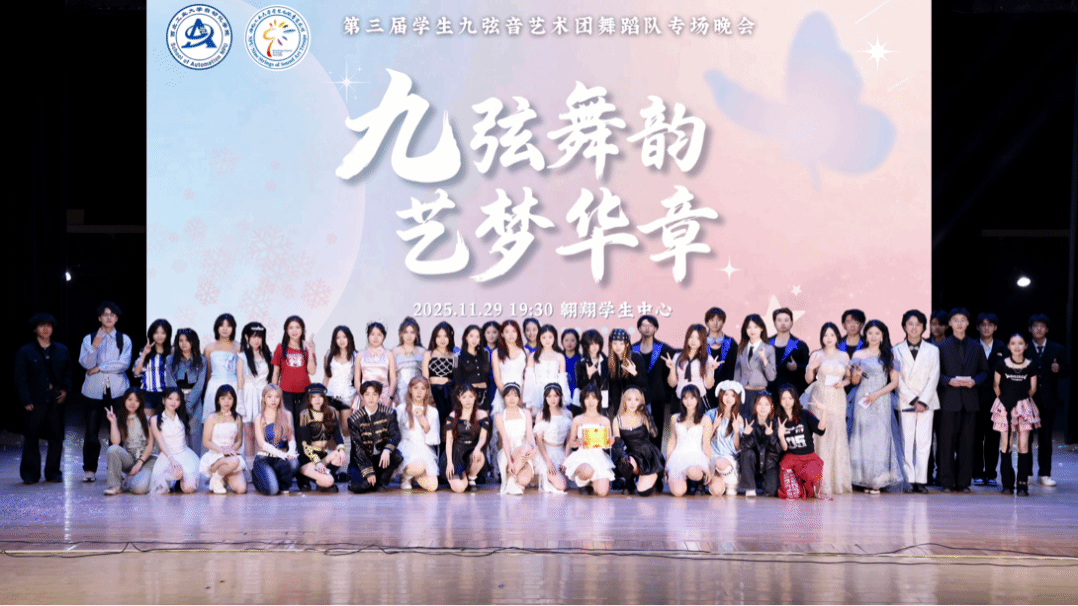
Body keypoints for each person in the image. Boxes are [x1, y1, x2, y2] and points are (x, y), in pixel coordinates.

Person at [848, 320, 907, 494]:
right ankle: (864, 479)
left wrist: (877, 394)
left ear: (882, 336)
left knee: (880, 439)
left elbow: (895, 381)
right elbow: (854, 381)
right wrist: (856, 376)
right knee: (862, 438)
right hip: (863, 400)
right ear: (865, 335)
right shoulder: (859, 354)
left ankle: (877, 481)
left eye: (877, 333)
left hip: (881, 401)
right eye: (870, 333)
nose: (873, 337)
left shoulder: (890, 354)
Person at [936, 308, 989, 493]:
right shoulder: (940, 347)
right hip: (948, 400)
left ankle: (964, 482)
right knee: (946, 443)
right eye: (955, 320)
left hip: (970, 401)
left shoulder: (976, 346)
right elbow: (935, 373)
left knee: (967, 443)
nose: (959, 323)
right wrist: (947, 380)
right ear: (950, 323)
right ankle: (946, 482)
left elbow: (984, 371)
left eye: (963, 320)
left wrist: (975, 381)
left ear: (968, 323)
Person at [79, 301, 132, 482]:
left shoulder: (124, 339)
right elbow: (86, 364)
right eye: (105, 314)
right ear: (99, 318)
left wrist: (100, 368)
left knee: (117, 431)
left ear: (117, 318)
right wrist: (94, 346)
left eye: (112, 315)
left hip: (117, 390)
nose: (109, 317)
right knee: (91, 431)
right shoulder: (89, 339)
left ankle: (115, 469)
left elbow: (123, 364)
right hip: (93, 390)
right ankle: (89, 470)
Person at [15, 313, 71, 484]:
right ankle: (30, 473)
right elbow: (20, 377)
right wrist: (25, 400)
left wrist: (65, 390)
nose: (46, 329)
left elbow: (68, 372)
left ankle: (53, 472)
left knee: (56, 437)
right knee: (31, 436)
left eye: (49, 326)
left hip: (55, 399)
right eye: (41, 326)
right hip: (35, 400)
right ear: (35, 329)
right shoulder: (25, 351)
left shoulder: (61, 349)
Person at [893, 310, 940, 493]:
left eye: (918, 324)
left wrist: (923, 401)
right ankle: (908, 479)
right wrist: (912, 399)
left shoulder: (933, 350)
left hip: (927, 402)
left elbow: (934, 376)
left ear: (923, 327)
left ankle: (921, 480)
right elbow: (896, 378)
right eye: (910, 324)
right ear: (904, 326)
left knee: (924, 441)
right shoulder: (896, 350)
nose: (914, 328)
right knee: (906, 441)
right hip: (906, 401)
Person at [804, 322, 852, 496]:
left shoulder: (844, 355)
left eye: (832, 335)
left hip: (837, 398)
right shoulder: (816, 355)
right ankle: (819, 481)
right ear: (821, 337)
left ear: (837, 336)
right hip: (820, 396)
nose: (829, 338)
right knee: (820, 435)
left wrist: (843, 383)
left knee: (837, 435)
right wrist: (811, 367)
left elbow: (849, 378)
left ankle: (837, 482)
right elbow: (808, 379)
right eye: (825, 335)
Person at [991, 333, 1041, 496]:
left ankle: (1022, 484)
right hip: (1005, 406)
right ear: (1009, 346)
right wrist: (1005, 400)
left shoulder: (1031, 365)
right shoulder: (1001, 364)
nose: (1017, 346)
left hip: (1023, 407)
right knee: (1005, 445)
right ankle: (1007, 483)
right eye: (1013, 343)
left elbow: (1033, 388)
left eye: (1020, 343)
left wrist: (1021, 401)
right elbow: (996, 385)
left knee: (1023, 445)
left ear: (1026, 346)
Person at [1027, 314, 1069, 487]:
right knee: (1026, 438)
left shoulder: (1057, 349)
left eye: (1042, 326)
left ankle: (1045, 473)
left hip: (1048, 401)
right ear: (1030, 329)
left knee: (1045, 438)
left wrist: (1059, 369)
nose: (1038, 329)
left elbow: (1066, 371)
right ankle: (1027, 473)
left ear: (1047, 329)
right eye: (1035, 326)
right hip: (1028, 401)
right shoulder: (1023, 348)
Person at [347, 381, 403, 493]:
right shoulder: (354, 420)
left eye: (374, 394)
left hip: (380, 457)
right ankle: (362, 480)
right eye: (367, 394)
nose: (371, 398)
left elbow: (395, 435)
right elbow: (358, 450)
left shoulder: (389, 413)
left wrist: (387, 449)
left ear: (379, 395)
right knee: (361, 486)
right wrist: (368, 472)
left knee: (396, 456)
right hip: (361, 461)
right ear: (362, 396)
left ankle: (380, 482)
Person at [562, 384, 617, 496]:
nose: (591, 401)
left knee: (602, 492)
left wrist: (610, 442)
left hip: (599, 456)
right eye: (587, 397)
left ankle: (591, 483)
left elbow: (606, 446)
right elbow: (571, 442)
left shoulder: (605, 421)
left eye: (594, 397)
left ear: (599, 400)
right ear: (582, 400)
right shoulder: (577, 420)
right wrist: (577, 442)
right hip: (582, 456)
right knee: (587, 470)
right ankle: (582, 483)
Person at [633, 315, 677, 448]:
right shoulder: (632, 349)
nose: (647, 328)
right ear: (639, 328)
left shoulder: (664, 349)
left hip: (657, 396)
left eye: (650, 325)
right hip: (636, 397)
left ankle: (656, 458)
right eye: (644, 325)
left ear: (656, 328)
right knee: (637, 432)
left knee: (656, 432)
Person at [776, 385, 828, 499]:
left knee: (812, 474)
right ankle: (798, 483)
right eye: (783, 398)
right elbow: (784, 448)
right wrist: (781, 436)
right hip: (791, 459)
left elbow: (820, 429)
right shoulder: (778, 419)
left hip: (808, 458)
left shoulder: (804, 414)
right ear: (779, 401)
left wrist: (824, 411)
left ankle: (806, 485)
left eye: (790, 398)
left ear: (795, 399)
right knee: (792, 495)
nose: (787, 401)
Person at [271, 315, 316, 440]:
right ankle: (290, 449)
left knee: (303, 424)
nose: (294, 331)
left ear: (302, 330)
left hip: (304, 393)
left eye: (297, 327)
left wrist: (310, 352)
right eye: (291, 328)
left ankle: (302, 450)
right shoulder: (281, 348)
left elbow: (312, 371)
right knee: (287, 424)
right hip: (285, 392)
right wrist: (273, 392)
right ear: (286, 330)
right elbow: (275, 373)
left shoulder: (306, 347)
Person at [103, 387, 156, 495]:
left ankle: (133, 479)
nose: (133, 403)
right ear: (124, 400)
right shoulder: (121, 420)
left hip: (147, 460)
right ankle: (115, 486)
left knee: (139, 489)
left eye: (137, 400)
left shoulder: (147, 419)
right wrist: (113, 422)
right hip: (130, 460)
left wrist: (139, 463)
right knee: (112, 449)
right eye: (130, 399)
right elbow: (116, 443)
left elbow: (150, 445)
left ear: (140, 403)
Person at [611, 386, 663, 496]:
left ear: (641, 401)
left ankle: (656, 477)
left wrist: (648, 415)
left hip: (648, 456)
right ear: (624, 401)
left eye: (636, 399)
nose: (633, 403)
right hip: (632, 454)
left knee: (643, 492)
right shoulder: (617, 419)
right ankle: (629, 482)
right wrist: (624, 455)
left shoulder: (644, 417)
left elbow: (654, 434)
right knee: (625, 462)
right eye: (629, 399)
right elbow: (617, 441)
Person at [974, 313, 1006, 486]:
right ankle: (977, 473)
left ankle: (991, 474)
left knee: (993, 439)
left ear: (995, 327)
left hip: (996, 401)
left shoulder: (1003, 348)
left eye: (990, 325)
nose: (986, 328)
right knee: (976, 438)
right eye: (983, 324)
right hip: (974, 399)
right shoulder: (972, 346)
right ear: (977, 327)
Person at [164, 328, 206, 458]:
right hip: (175, 400)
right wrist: (178, 402)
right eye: (181, 340)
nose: (184, 343)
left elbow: (200, 384)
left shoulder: (201, 360)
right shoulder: (170, 359)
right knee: (175, 433)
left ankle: (194, 464)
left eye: (187, 340)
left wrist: (189, 403)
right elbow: (170, 382)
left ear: (193, 342)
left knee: (195, 433)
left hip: (195, 400)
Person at [296, 383, 346, 492]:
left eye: (320, 396)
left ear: (324, 398)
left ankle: (323, 482)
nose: (317, 400)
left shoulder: (330, 411)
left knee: (340, 456)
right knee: (329, 481)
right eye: (313, 397)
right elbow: (304, 444)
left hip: (323, 455)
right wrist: (317, 463)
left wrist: (341, 450)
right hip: (308, 459)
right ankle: (306, 477)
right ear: (309, 399)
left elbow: (337, 434)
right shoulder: (305, 414)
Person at [664, 385, 713, 496]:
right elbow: (672, 441)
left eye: (692, 398)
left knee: (693, 472)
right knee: (678, 492)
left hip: (696, 457)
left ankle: (699, 482)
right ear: (681, 400)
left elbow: (706, 444)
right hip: (678, 456)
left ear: (698, 399)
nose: (688, 401)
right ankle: (685, 482)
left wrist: (708, 467)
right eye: (685, 398)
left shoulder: (705, 419)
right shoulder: (675, 418)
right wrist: (667, 463)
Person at [149, 387, 200, 494]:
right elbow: (160, 442)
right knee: (169, 480)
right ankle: (173, 481)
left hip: (184, 454)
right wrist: (172, 460)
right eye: (170, 398)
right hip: (168, 456)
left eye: (177, 399)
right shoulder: (155, 419)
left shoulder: (182, 417)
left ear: (180, 402)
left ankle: (180, 482)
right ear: (163, 400)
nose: (173, 402)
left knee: (189, 488)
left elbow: (184, 439)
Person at [251, 384, 299, 496]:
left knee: (294, 463)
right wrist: (280, 454)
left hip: (281, 460)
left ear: (280, 399)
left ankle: (278, 480)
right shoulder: (259, 418)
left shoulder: (287, 414)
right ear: (264, 398)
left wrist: (291, 451)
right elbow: (261, 444)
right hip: (264, 459)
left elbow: (291, 437)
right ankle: (258, 476)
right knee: (272, 490)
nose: (273, 400)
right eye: (269, 396)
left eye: (277, 396)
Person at [199, 385, 247, 494]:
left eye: (230, 398)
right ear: (218, 400)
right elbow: (206, 441)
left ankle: (221, 477)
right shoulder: (212, 417)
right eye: (223, 398)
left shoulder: (237, 418)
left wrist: (231, 450)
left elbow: (239, 440)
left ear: (234, 400)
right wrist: (222, 450)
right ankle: (216, 478)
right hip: (216, 454)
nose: (226, 401)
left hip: (230, 453)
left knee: (241, 489)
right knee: (234, 461)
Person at [396, 377, 440, 492]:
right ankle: (406, 477)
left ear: (427, 391)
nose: (419, 392)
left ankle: (414, 476)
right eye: (416, 388)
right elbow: (394, 432)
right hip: (407, 447)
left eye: (423, 388)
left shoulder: (433, 412)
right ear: (410, 390)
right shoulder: (401, 409)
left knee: (433, 486)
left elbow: (434, 440)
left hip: (423, 447)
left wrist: (426, 425)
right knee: (419, 466)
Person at [445, 383, 491, 493]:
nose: (468, 400)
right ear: (459, 398)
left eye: (471, 396)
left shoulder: (482, 414)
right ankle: (462, 475)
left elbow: (483, 437)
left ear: (475, 397)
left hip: (472, 450)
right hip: (457, 452)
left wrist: (477, 448)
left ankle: (471, 478)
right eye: (464, 397)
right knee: (459, 488)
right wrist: (449, 463)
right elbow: (449, 440)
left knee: (479, 455)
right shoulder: (453, 415)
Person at [202, 314, 245, 429]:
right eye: (221, 325)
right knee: (213, 422)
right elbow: (208, 372)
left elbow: (242, 373)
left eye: (229, 326)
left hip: (233, 386)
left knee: (233, 421)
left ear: (233, 328)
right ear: (216, 327)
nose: (225, 329)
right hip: (213, 387)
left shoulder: (239, 347)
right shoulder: (209, 348)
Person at [664, 324, 720, 409]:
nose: (693, 341)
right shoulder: (677, 357)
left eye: (698, 338)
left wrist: (710, 370)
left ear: (703, 340)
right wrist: (672, 369)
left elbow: (709, 386)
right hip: (681, 398)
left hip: (699, 400)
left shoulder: (708, 359)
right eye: (691, 337)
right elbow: (672, 384)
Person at [494, 383, 537, 495]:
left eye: (515, 395)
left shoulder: (526, 413)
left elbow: (530, 435)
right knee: (525, 448)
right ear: (503, 397)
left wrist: (534, 448)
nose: (512, 399)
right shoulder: (499, 416)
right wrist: (509, 461)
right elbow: (505, 439)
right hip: (508, 451)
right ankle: (512, 478)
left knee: (524, 480)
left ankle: (512, 481)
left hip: (524, 451)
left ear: (519, 397)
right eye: (508, 395)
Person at [240, 322, 272, 469]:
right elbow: (240, 381)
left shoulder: (268, 355)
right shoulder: (242, 356)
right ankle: (251, 469)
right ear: (247, 337)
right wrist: (240, 402)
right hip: (248, 396)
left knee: (263, 433)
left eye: (259, 336)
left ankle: (261, 467)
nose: (256, 340)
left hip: (264, 396)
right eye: (253, 336)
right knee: (249, 434)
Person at [738, 392, 781, 497]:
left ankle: (762, 482)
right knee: (747, 453)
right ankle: (750, 488)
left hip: (769, 463)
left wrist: (771, 436)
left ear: (771, 407)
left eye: (766, 404)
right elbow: (743, 449)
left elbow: (777, 450)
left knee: (771, 491)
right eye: (760, 404)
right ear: (755, 406)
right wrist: (746, 435)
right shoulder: (748, 421)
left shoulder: (775, 423)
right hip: (753, 461)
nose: (763, 407)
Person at [733, 314, 777, 417]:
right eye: (749, 327)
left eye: (755, 327)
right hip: (743, 393)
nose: (752, 330)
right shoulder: (741, 347)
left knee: (759, 423)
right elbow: (737, 371)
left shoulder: (769, 349)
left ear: (761, 328)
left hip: (760, 394)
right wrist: (735, 392)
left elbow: (772, 377)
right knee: (742, 422)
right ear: (745, 330)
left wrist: (764, 360)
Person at [705, 381, 743, 496]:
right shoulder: (711, 414)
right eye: (726, 394)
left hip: (728, 459)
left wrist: (737, 431)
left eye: (733, 395)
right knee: (716, 491)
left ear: (737, 399)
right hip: (712, 457)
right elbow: (704, 440)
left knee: (721, 463)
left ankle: (732, 483)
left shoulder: (738, 418)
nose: (729, 398)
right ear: (721, 395)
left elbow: (737, 447)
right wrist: (714, 426)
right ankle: (724, 481)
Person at [524, 325, 570, 419]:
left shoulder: (560, 357)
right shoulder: (533, 356)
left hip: (554, 393)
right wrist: (528, 402)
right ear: (539, 339)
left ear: (554, 338)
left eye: (550, 337)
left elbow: (562, 379)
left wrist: (563, 398)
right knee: (539, 420)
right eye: (544, 337)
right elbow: (529, 380)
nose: (547, 340)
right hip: (537, 395)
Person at [324, 326, 361, 442]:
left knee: (346, 429)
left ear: (349, 338)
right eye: (338, 337)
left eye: (344, 337)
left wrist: (359, 396)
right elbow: (326, 377)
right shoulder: (329, 355)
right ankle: (334, 452)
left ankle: (348, 452)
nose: (341, 340)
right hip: (331, 395)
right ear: (334, 340)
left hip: (348, 397)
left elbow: (358, 378)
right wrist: (321, 395)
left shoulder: (356, 356)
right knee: (332, 427)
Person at [534, 384, 572, 494]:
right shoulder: (541, 415)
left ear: (560, 396)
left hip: (562, 452)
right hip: (545, 453)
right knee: (562, 485)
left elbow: (569, 439)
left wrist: (566, 457)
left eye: (556, 396)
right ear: (545, 398)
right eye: (549, 396)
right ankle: (545, 476)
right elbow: (539, 440)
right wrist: (547, 461)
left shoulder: (568, 414)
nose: (552, 399)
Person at [606, 329, 648, 423]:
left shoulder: (635, 358)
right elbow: (614, 389)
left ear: (627, 344)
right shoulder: (611, 361)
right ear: (611, 344)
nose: (618, 347)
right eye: (615, 343)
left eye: (621, 343)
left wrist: (634, 372)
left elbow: (645, 384)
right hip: (621, 407)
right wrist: (617, 409)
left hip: (638, 405)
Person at [422, 322, 457, 432]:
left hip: (449, 393)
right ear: (434, 337)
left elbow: (456, 377)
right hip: (433, 392)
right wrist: (429, 395)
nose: (442, 339)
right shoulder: (428, 354)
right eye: (439, 336)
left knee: (448, 423)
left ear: (450, 337)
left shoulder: (455, 356)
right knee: (434, 422)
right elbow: (425, 378)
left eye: (445, 336)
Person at [132, 319, 172, 415]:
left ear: (167, 334)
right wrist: (144, 354)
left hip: (166, 394)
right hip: (148, 393)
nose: (159, 336)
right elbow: (136, 373)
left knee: (164, 423)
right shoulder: (144, 352)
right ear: (151, 334)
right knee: (148, 422)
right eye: (156, 333)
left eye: (163, 333)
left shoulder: (172, 352)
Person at [769, 307, 810, 395]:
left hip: (792, 393)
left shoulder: (800, 345)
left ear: (791, 322)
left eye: (786, 320)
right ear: (774, 323)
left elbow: (809, 367)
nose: (783, 323)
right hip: (770, 392)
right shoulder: (766, 344)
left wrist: (797, 367)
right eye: (779, 320)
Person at [358, 322, 396, 408]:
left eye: (379, 335)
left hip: (384, 395)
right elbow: (357, 379)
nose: (375, 338)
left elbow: (393, 379)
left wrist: (389, 397)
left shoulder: (389, 354)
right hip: (365, 395)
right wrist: (362, 396)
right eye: (372, 334)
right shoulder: (360, 355)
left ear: (384, 336)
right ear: (368, 336)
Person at [453, 325, 491, 410]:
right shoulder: (456, 356)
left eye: (477, 337)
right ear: (466, 337)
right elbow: (457, 381)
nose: (474, 339)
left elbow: (487, 377)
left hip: (484, 395)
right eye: (471, 336)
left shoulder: (486, 353)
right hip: (467, 396)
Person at [574, 328, 609, 414]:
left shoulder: (606, 361)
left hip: (603, 400)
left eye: (596, 343)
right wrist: (588, 376)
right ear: (585, 346)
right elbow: (579, 385)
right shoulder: (581, 363)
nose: (594, 347)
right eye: (591, 344)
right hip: (586, 401)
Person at [393, 317, 426, 406]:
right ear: (401, 334)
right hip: (399, 392)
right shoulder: (395, 351)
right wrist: (394, 396)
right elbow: (392, 376)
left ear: (416, 334)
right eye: (406, 332)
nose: (409, 336)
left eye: (412, 332)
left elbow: (425, 376)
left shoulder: (422, 351)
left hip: (418, 392)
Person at [705, 307, 738, 384]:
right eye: (712, 320)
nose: (715, 323)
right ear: (707, 322)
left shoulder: (731, 343)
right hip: (704, 387)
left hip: (725, 388)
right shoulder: (701, 342)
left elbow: (736, 368)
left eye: (719, 320)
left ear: (723, 322)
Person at [562, 328, 581, 401]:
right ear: (562, 341)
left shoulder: (581, 359)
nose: (569, 343)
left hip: (578, 395)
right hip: (562, 394)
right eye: (566, 340)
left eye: (572, 340)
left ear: (577, 342)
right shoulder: (559, 358)